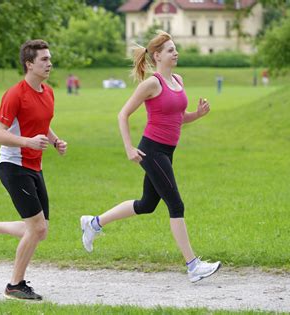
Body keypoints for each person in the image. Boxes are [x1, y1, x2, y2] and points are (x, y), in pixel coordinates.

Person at [80, 31, 221, 283]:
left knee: (147, 204)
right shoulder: (151, 84)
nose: (175, 52)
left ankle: (93, 223)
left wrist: (197, 115)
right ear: (157, 56)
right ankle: (193, 266)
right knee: (176, 205)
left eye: (175, 48)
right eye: (170, 50)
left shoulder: (178, 79)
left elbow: (178, 117)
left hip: (167, 150)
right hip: (152, 150)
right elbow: (122, 115)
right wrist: (129, 148)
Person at [0, 39, 67, 300]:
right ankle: (14, 285)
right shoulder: (14, 94)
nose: (49, 63)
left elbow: (41, 123)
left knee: (39, 229)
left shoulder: (48, 92)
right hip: (14, 166)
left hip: (35, 166)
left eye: (49, 58)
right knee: (36, 228)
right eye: (44, 59)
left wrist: (55, 140)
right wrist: (27, 142)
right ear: (29, 64)